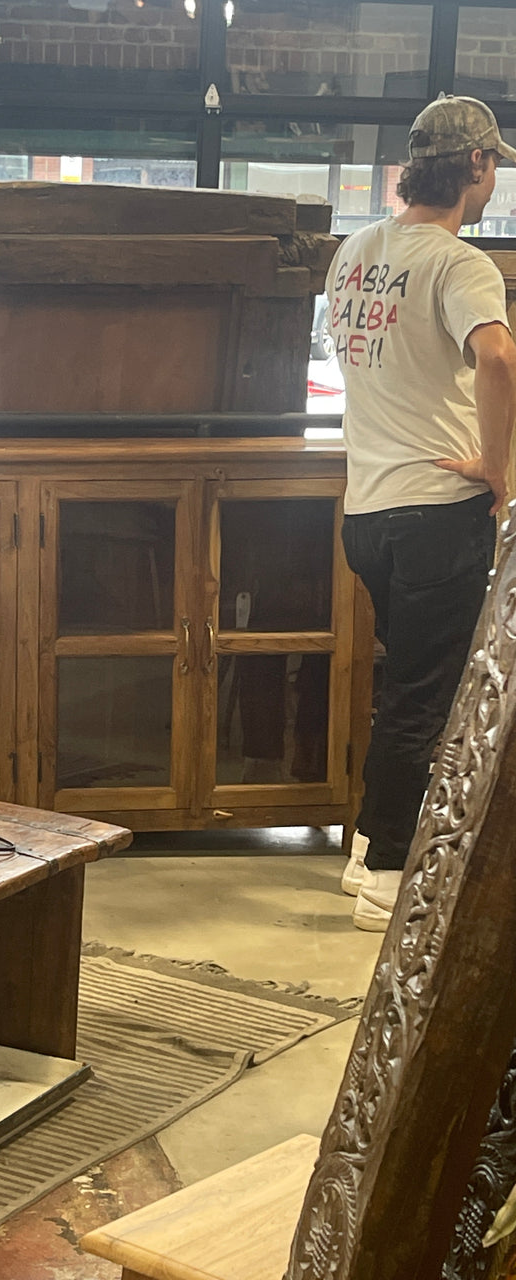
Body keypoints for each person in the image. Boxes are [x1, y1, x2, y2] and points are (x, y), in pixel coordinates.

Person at [327, 95, 516, 931]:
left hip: (365, 512)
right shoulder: (460, 262)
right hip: (438, 509)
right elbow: (497, 356)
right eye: (495, 161)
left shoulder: (355, 251)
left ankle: (368, 848)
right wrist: (495, 466)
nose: (498, 175)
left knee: (402, 681)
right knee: (425, 696)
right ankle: (389, 878)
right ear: (474, 165)